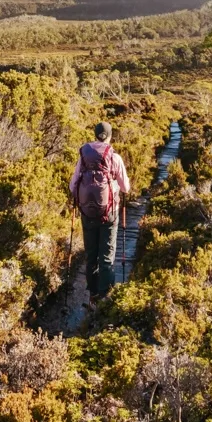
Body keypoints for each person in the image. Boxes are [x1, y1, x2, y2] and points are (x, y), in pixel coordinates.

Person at [70, 121, 130, 302]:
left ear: (95, 135)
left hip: (87, 213)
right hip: (110, 213)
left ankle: (93, 294)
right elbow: (126, 188)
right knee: (107, 255)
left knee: (91, 255)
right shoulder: (115, 158)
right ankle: (106, 295)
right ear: (110, 136)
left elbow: (73, 185)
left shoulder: (84, 156)